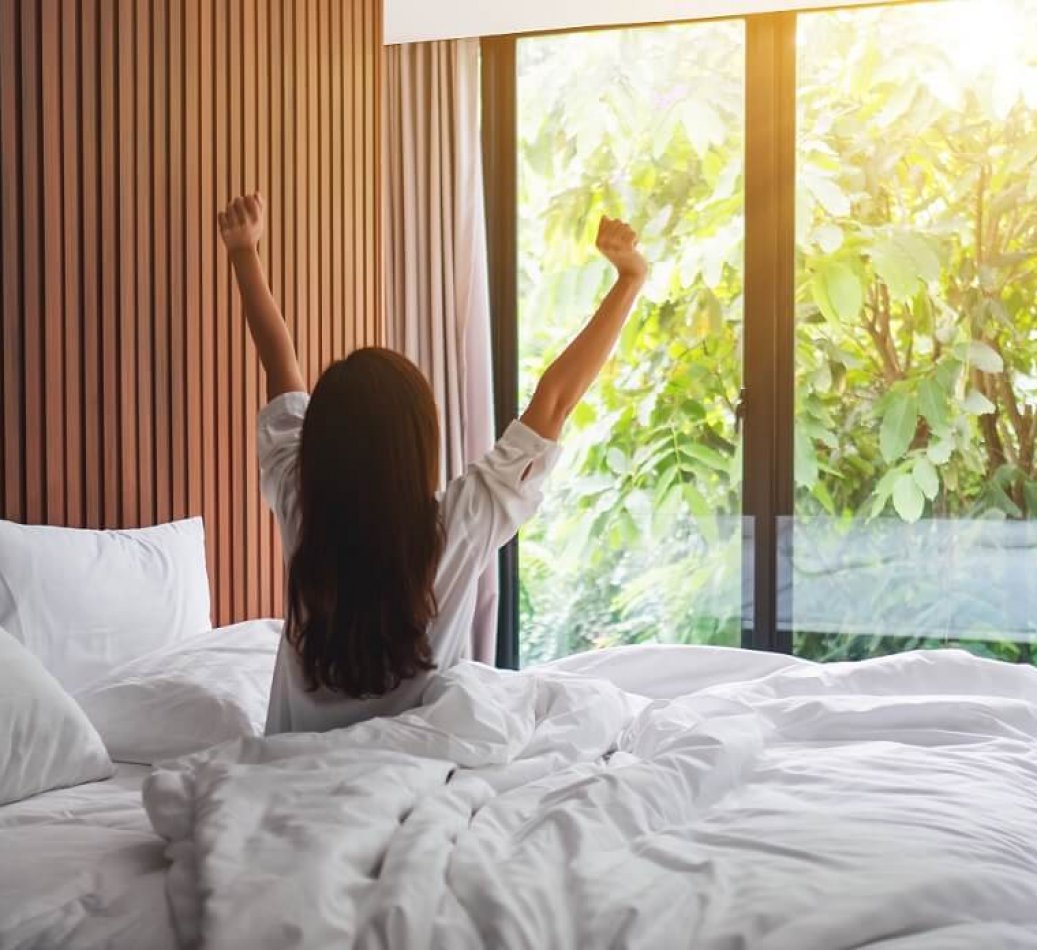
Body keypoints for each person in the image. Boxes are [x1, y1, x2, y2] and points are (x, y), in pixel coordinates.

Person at [217, 192, 648, 734]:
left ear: (321, 442)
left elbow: (279, 365)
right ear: (420, 443)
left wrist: (243, 253)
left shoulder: (301, 504)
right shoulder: (461, 524)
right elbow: (555, 400)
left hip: (291, 773)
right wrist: (629, 280)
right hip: (410, 774)